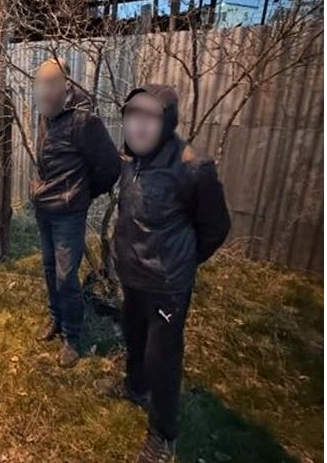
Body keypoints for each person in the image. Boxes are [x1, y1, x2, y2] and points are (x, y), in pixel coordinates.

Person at [113, 84, 231, 463]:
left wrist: (180, 262)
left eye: (150, 116)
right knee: (133, 337)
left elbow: (215, 228)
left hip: (167, 285)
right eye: (132, 113)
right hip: (132, 275)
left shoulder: (193, 168)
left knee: (161, 358)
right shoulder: (131, 158)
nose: (138, 124)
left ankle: (163, 434)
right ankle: (135, 387)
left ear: (167, 122)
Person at [30, 58, 121, 368]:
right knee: (49, 268)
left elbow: (110, 167)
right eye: (39, 82)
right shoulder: (46, 114)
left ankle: (72, 335)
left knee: (66, 276)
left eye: (49, 82)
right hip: (45, 206)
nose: (43, 89)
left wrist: (82, 194)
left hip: (69, 212)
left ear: (66, 85)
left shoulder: (84, 120)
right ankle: (56, 318)